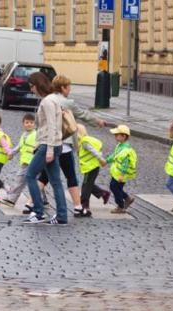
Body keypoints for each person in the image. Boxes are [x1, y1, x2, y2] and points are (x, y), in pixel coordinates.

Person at [25, 75, 107, 216]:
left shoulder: (49, 99)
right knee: (69, 177)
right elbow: (82, 114)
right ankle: (76, 207)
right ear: (63, 88)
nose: (69, 90)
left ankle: (31, 203)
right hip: (63, 145)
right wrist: (97, 121)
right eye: (69, 87)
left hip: (51, 145)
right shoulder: (63, 102)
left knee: (45, 177)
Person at [22, 72, 68, 225]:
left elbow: (51, 126)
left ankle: (38, 211)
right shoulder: (53, 98)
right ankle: (61, 216)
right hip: (53, 144)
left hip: (49, 145)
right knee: (56, 182)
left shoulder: (48, 101)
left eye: (32, 86)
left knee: (30, 175)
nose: (31, 89)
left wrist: (48, 149)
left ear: (38, 85)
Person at [1, 113, 37, 212]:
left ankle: (11, 199)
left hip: (34, 161)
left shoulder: (36, 134)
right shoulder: (24, 135)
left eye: (31, 122)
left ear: (34, 124)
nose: (29, 124)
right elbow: (20, 146)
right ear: (23, 123)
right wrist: (11, 153)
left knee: (24, 180)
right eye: (27, 122)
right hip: (25, 161)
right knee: (25, 180)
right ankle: (42, 200)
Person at [76, 123, 109, 217]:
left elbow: (94, 151)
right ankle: (103, 193)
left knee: (86, 185)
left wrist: (101, 159)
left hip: (91, 167)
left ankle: (84, 204)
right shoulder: (82, 142)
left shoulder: (85, 142)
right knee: (88, 184)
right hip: (91, 167)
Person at [106, 125, 138, 214]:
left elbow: (125, 164)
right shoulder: (120, 146)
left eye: (117, 134)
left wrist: (122, 175)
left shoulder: (126, 150)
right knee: (117, 188)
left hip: (120, 174)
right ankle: (127, 199)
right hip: (117, 173)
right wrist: (106, 161)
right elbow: (114, 156)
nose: (115, 136)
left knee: (114, 187)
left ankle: (121, 206)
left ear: (124, 136)